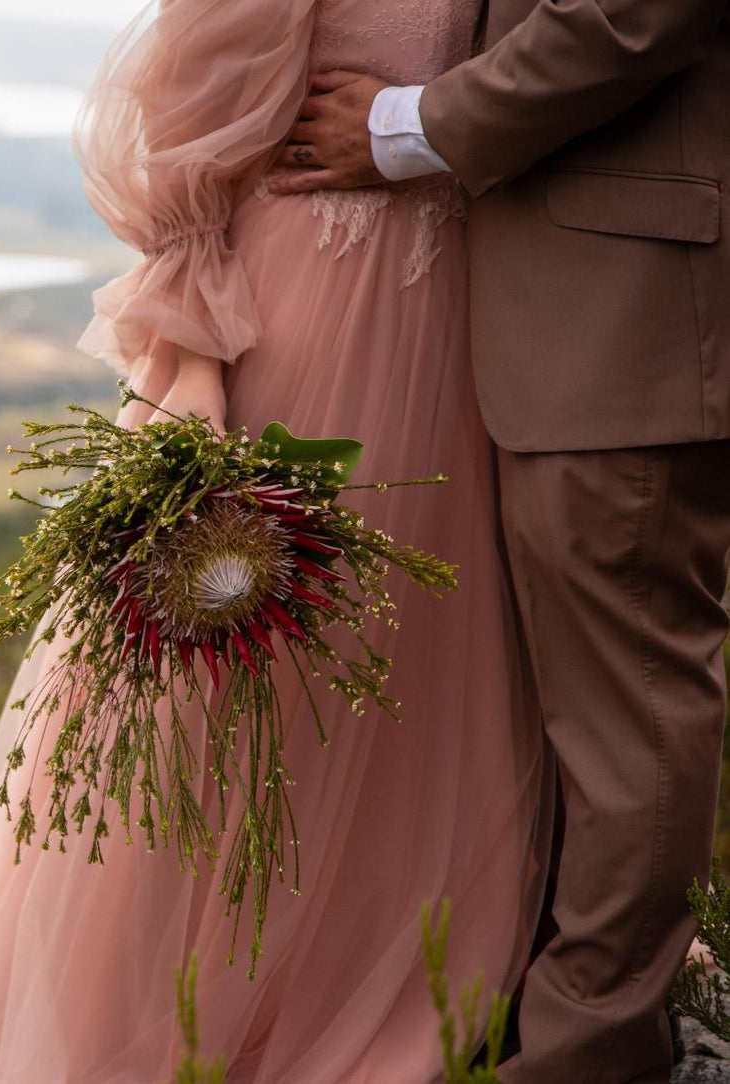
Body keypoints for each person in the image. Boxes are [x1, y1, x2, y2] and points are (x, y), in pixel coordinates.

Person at [0, 0, 559, 1079]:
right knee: (243, 684)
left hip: (466, 324)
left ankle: (382, 967)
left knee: (410, 670)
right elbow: (185, 102)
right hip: (316, 319)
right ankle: (166, 1020)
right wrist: (194, 369)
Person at [267, 2, 730, 1079]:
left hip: (623, 314)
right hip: (526, 319)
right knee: (545, 708)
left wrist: (400, 126)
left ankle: (587, 1054)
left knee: (628, 707)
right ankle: (528, 1005)